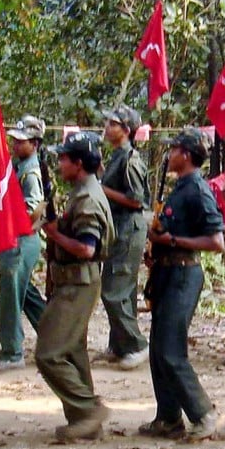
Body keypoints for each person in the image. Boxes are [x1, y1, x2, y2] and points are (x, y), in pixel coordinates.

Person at [139, 128, 225, 441]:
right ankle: (168, 417)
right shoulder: (180, 188)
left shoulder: (198, 190)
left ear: (186, 155)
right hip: (167, 272)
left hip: (184, 274)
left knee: (170, 349)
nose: (169, 154)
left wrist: (172, 241)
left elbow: (216, 242)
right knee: (157, 349)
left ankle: (203, 413)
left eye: (174, 149)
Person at [36, 131, 115, 442]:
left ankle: (88, 410)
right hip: (74, 280)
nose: (60, 164)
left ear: (79, 163)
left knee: (49, 353)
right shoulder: (83, 191)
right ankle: (85, 423)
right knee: (72, 351)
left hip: (77, 283)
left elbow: (86, 248)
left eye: (64, 159)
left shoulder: (87, 199)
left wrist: (54, 234)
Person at [0, 115, 47, 372]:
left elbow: (33, 209)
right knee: (26, 293)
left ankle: (12, 352)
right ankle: (55, 336)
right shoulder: (20, 166)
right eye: (15, 141)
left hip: (21, 240)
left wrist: (7, 219)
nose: (16, 145)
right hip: (18, 239)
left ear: (35, 143)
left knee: (10, 297)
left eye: (22, 141)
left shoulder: (30, 172)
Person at [98, 105, 151, 370]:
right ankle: (119, 344)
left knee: (114, 290)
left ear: (126, 130)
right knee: (122, 288)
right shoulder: (117, 157)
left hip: (128, 227)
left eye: (113, 124)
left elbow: (136, 200)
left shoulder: (131, 160)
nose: (107, 128)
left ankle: (136, 345)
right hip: (118, 227)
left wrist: (101, 189)